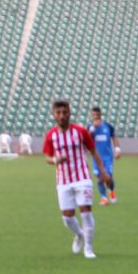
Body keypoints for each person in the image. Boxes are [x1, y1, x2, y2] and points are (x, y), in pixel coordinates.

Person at [42, 99, 111, 259]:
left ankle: (88, 248)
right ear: (53, 115)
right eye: (58, 112)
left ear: (69, 113)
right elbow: (47, 156)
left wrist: (103, 172)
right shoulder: (51, 135)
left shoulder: (80, 131)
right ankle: (79, 234)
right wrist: (55, 160)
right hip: (63, 180)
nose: (62, 115)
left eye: (65, 112)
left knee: (86, 213)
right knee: (67, 217)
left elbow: (93, 151)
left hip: (82, 178)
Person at [88, 107, 119, 206]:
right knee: (100, 178)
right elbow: (86, 139)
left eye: (97, 114)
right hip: (96, 157)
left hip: (107, 157)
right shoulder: (89, 127)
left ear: (100, 114)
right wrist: (92, 130)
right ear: (91, 115)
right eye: (93, 115)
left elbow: (114, 137)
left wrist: (117, 149)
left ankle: (111, 191)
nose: (95, 116)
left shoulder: (108, 126)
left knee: (108, 177)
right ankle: (104, 198)